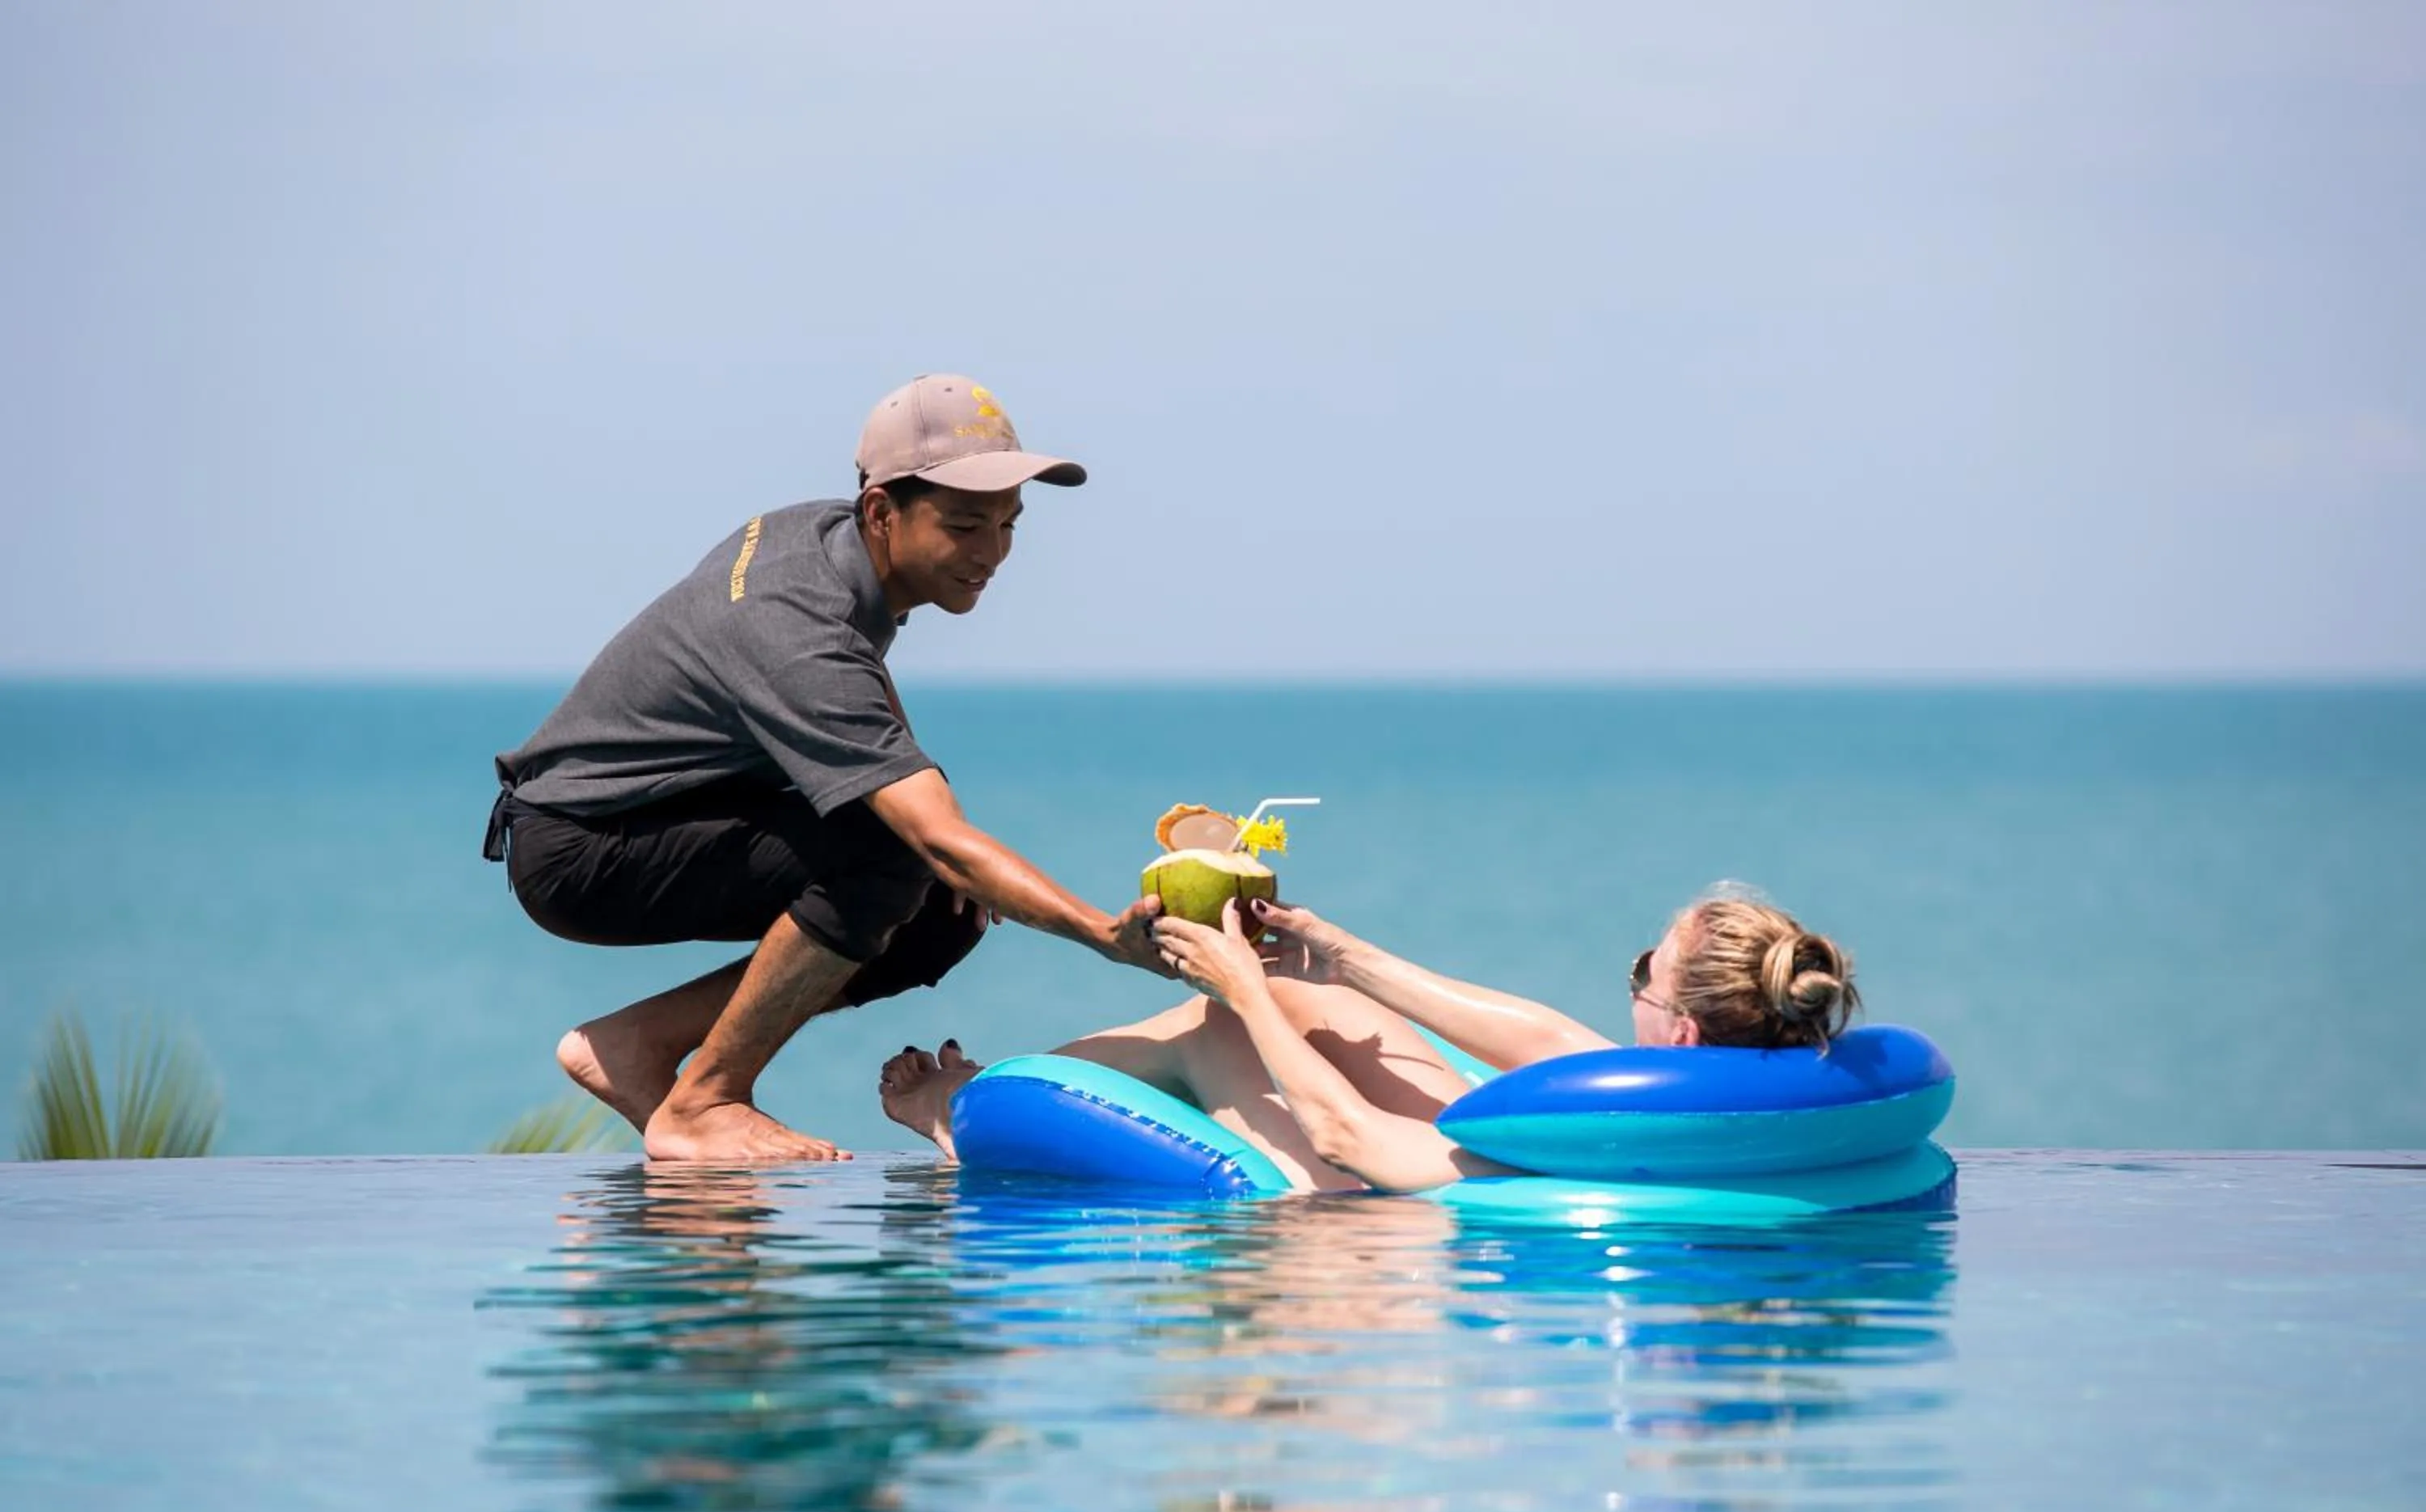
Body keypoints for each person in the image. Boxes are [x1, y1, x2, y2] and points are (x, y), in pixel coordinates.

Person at [485, 375, 1167, 1164]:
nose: (992, 553)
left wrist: (948, 845)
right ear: (883, 510)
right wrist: (1103, 933)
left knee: (942, 911)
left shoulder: (817, 539)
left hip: (631, 814)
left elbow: (860, 679)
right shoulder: (794, 626)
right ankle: (706, 1097)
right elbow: (856, 711)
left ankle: (637, 1044)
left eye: (1010, 524)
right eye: (966, 524)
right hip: (583, 847)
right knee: (905, 855)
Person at [879, 890, 1860, 1194]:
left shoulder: (1608, 1153)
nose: (1631, 977)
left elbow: (1346, 1134)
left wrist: (1247, 986)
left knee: (1219, 1028)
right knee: (1339, 1019)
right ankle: (980, 1096)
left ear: (1681, 1026)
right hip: (1440, 1270)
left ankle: (963, 1114)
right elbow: (1551, 1039)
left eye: (1645, 965)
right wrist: (1340, 959)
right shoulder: (1726, 1105)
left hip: (1355, 1258)